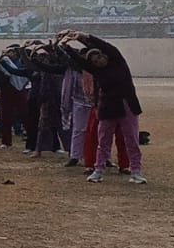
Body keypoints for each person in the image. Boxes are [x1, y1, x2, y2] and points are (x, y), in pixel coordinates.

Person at [59, 30, 145, 184]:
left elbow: (105, 46)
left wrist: (83, 37)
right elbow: (79, 61)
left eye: (99, 56)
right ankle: (98, 170)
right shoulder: (97, 71)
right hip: (107, 108)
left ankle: (136, 171)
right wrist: (65, 46)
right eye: (94, 61)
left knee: (131, 140)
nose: (98, 61)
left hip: (126, 106)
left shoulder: (118, 62)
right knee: (103, 141)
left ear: (104, 55)